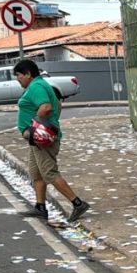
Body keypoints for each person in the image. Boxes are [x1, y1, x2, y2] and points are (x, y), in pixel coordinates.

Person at [14, 58, 90, 223]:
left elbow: (46, 107)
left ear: (28, 74)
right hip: (37, 140)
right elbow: (58, 105)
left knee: (49, 173)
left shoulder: (36, 86)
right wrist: (51, 124)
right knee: (36, 173)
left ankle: (78, 203)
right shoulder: (40, 85)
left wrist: (37, 128)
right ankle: (40, 207)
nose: (17, 79)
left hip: (42, 140)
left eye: (18, 75)